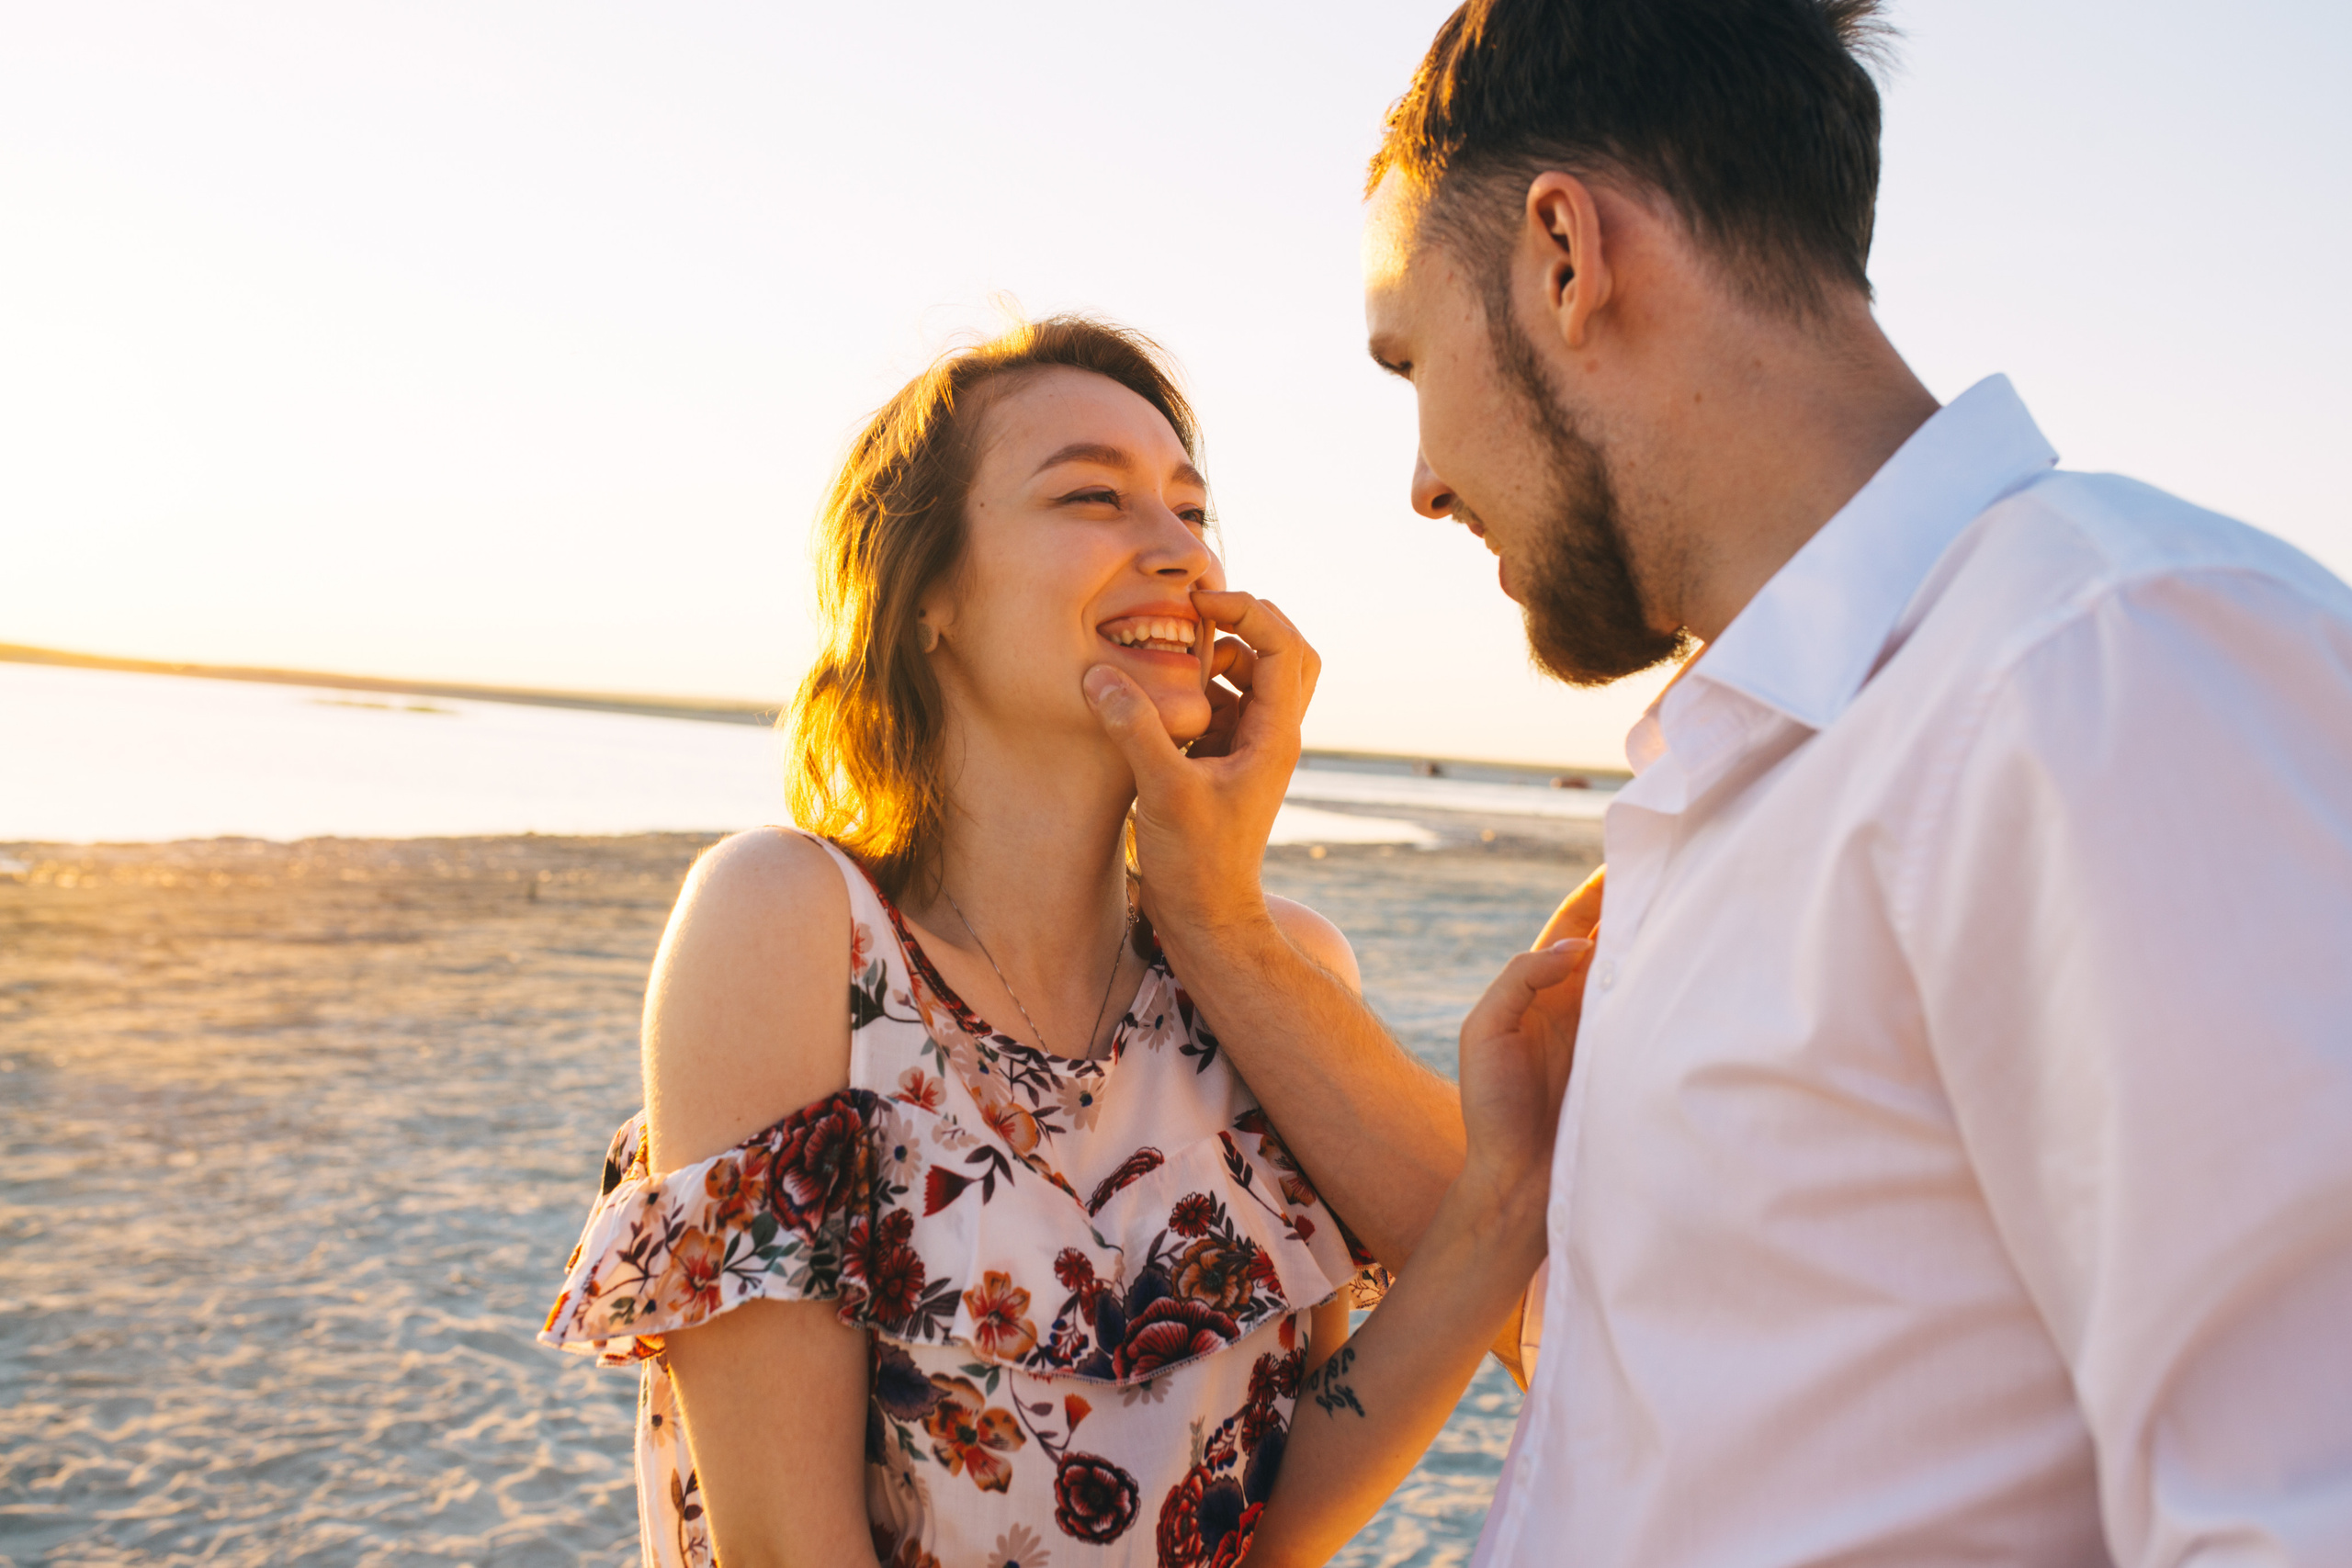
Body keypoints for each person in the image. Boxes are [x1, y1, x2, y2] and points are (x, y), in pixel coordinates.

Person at [1079, 1, 2352, 1563]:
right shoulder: (1773, 763)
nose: (1422, 479)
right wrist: (1220, 927)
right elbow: (1656, 1375)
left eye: (1412, 357)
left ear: (1565, 256)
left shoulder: (2098, 667)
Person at [540, 316, 1581, 1568]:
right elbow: (783, 1550)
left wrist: (1503, 1194)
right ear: (926, 595)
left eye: (1192, 511)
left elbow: (1278, 1523)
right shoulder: (794, 926)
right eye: (1094, 496)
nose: (1181, 552)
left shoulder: (1281, 973)